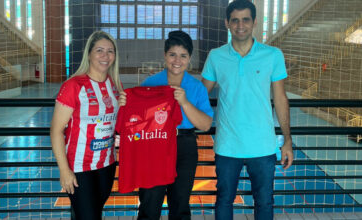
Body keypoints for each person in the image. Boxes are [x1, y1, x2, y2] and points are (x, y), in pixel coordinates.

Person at [201, 0, 294, 219]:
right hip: (227, 145)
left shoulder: (273, 55)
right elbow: (200, 95)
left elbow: (280, 98)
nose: (240, 25)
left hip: (262, 146)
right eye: (235, 20)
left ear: (253, 23)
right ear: (227, 23)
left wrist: (287, 140)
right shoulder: (216, 56)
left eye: (245, 19)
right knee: (224, 200)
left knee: (264, 203)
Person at [119, 30, 213, 220]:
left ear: (189, 58)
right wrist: (125, 104)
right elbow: (137, 122)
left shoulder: (196, 88)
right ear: (164, 55)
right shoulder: (151, 83)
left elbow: (205, 125)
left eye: (183, 56)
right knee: (150, 201)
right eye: (172, 54)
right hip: (154, 144)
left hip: (184, 146)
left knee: (180, 203)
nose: (177, 60)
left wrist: (185, 102)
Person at [50, 31, 122, 220]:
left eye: (110, 51)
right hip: (79, 167)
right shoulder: (73, 85)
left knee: (93, 214)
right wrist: (64, 171)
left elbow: (117, 122)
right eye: (99, 50)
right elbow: (56, 131)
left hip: (107, 163)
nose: (105, 56)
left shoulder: (114, 84)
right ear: (89, 54)